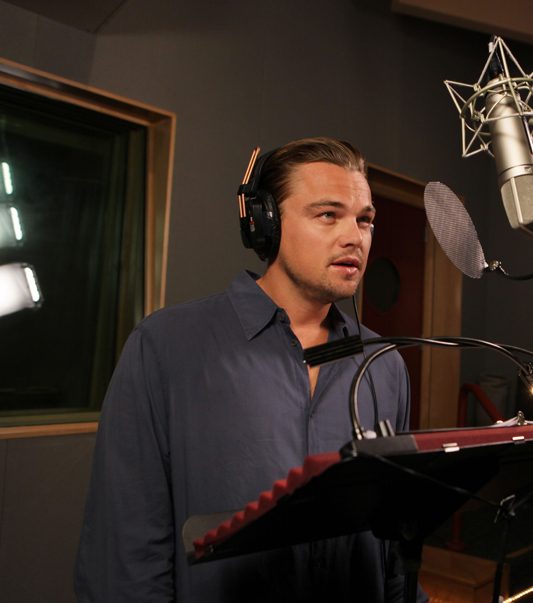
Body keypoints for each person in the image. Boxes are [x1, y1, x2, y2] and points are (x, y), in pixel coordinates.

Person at [74, 138, 427, 602]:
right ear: (265, 223)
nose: (354, 237)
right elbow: (126, 555)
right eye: (328, 215)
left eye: (365, 220)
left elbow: (393, 549)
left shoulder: (384, 365)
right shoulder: (166, 347)